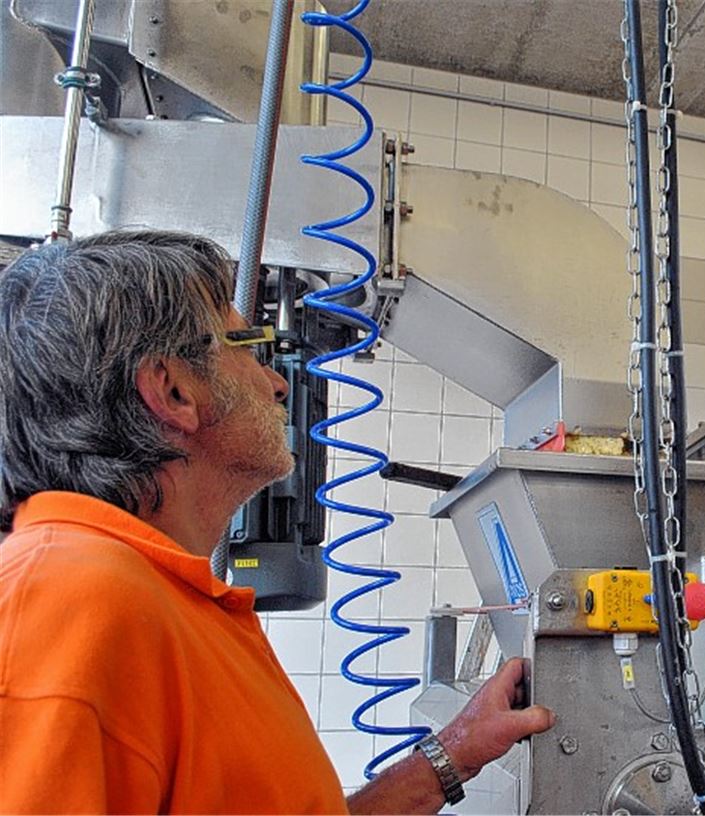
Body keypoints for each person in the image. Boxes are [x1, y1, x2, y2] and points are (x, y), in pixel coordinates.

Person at [0, 230, 555, 813]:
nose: (278, 382)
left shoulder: (155, 600)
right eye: (244, 346)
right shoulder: (63, 602)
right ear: (172, 390)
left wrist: (454, 753)